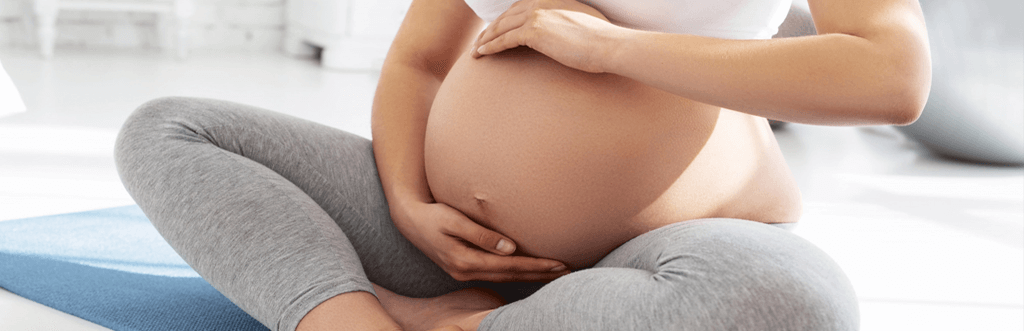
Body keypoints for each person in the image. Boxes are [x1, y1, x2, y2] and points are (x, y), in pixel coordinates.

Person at [114, 0, 931, 330]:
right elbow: (419, 62)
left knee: (796, 301)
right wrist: (405, 199)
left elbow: (892, 75)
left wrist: (610, 47)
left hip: (675, 250)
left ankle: (445, 324)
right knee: (171, 131)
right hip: (445, 244)